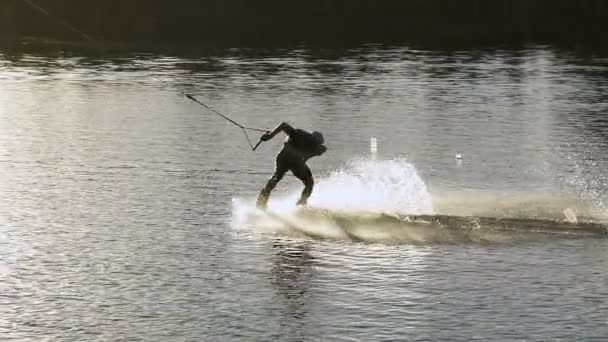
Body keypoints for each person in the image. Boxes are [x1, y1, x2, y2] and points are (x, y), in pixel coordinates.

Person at [256, 122, 327, 209]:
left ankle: (301, 204)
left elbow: (308, 156)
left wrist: (270, 135)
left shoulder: (316, 147)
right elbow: (284, 125)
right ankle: (300, 204)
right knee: (308, 183)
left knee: (277, 177)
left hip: (290, 160)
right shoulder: (299, 135)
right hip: (288, 159)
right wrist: (270, 135)